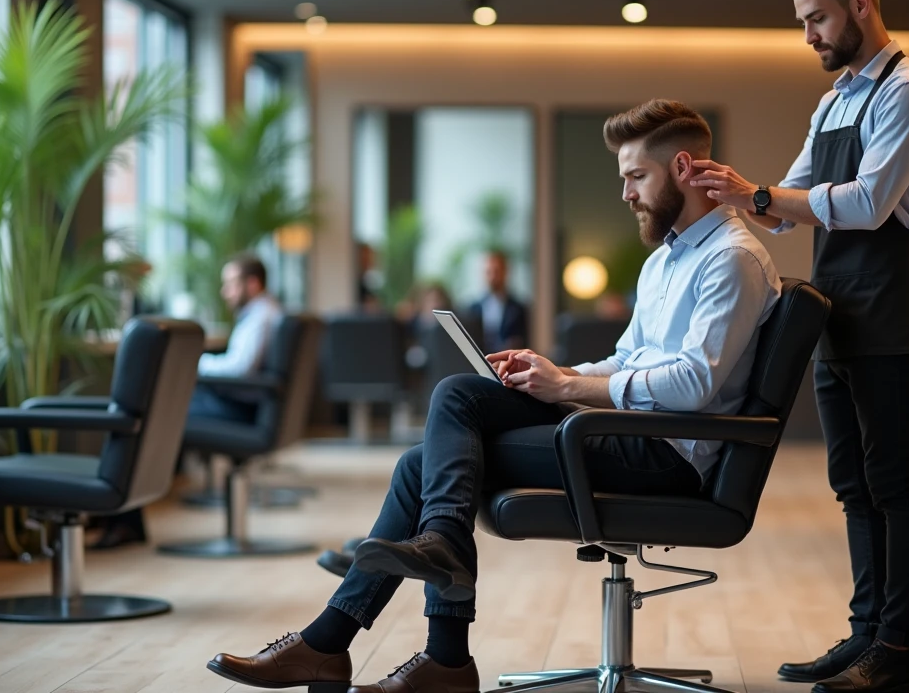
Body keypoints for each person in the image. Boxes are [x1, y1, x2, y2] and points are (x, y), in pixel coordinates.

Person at [206, 99, 781, 693]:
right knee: (458, 397)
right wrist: (553, 371)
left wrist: (569, 388)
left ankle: (373, 644)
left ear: (682, 168)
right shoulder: (665, 261)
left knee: (428, 454)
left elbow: (694, 384)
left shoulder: (731, 259)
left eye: (637, 176)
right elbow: (628, 359)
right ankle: (425, 628)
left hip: (667, 454)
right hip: (629, 430)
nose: (626, 193)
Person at [688, 0, 909, 693]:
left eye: (817, 19)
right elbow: (786, 208)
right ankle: (865, 632)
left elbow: (868, 204)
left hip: (894, 305)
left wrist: (766, 196)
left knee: (895, 480)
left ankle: (897, 651)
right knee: (853, 482)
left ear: (860, 5)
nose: (808, 35)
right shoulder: (834, 101)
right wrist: (735, 192)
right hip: (839, 309)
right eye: (803, 21)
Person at [90, 253, 283, 549]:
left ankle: (121, 517)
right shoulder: (268, 312)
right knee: (155, 410)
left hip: (241, 410)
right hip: (250, 405)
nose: (225, 292)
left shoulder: (261, 317)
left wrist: (195, 362)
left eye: (231, 284)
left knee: (148, 417)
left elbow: (239, 369)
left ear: (253, 284)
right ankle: (121, 516)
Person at [467, 250, 528, 353]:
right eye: (488, 272)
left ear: (505, 272)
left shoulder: (518, 309)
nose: (492, 277)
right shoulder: (473, 309)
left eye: (496, 271)